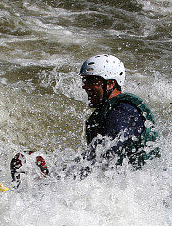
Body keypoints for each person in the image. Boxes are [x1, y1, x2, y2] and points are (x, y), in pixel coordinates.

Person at [11, 54, 159, 182]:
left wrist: (57, 180)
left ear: (111, 84)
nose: (85, 86)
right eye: (85, 81)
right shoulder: (109, 111)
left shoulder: (124, 110)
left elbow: (105, 154)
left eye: (92, 81)